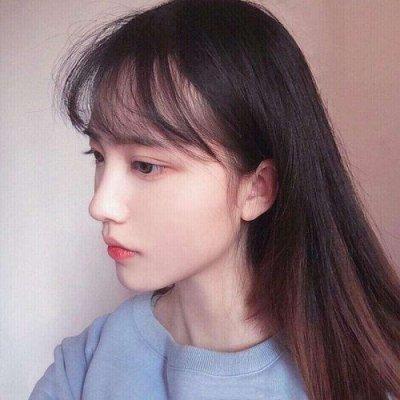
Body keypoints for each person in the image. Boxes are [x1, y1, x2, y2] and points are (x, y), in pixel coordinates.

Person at [29, 0, 400, 399]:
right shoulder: (82, 368)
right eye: (99, 156)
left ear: (256, 189)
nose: (100, 205)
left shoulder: (367, 375)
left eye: (146, 166)